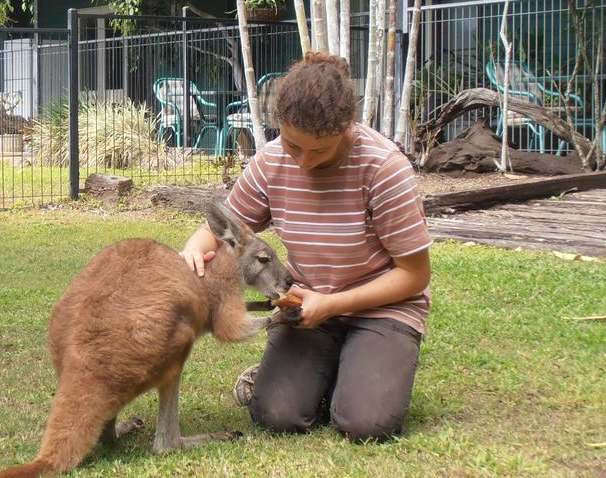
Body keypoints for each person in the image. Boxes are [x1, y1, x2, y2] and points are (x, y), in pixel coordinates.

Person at [180, 52, 431, 442]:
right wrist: (194, 247)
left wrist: (331, 304)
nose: (302, 162)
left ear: (346, 127)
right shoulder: (272, 160)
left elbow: (415, 276)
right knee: (276, 415)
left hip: (383, 310)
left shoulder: (384, 169)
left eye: (319, 151)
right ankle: (325, 372)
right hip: (307, 308)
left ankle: (360, 370)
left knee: (365, 423)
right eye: (293, 145)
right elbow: (223, 227)